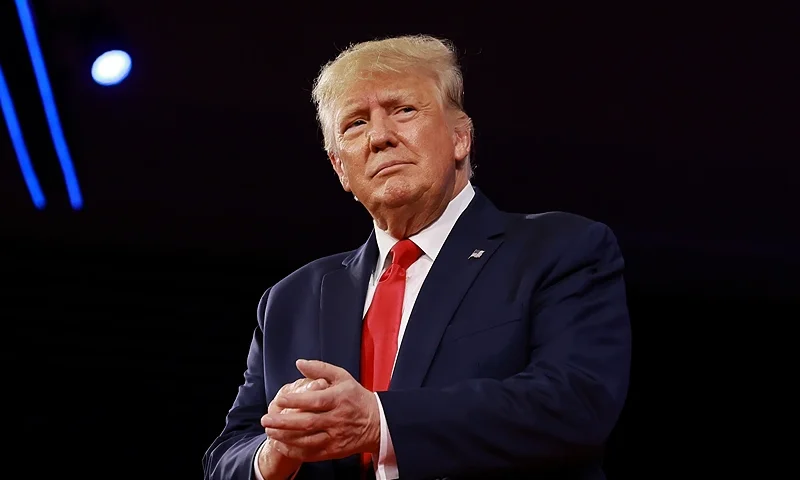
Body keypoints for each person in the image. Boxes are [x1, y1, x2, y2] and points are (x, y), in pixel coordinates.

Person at [202, 34, 631, 480]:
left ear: (461, 137)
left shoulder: (558, 248)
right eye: (355, 124)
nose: (380, 137)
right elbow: (228, 453)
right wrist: (274, 455)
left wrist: (380, 421)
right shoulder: (290, 300)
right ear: (340, 168)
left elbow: (576, 403)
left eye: (403, 110)